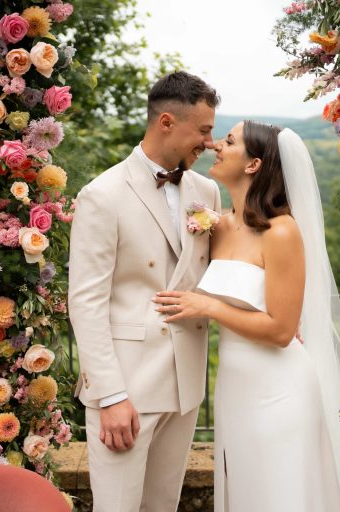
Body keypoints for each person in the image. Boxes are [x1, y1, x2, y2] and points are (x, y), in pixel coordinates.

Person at [154, 121, 340, 511]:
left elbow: (282, 330)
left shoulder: (282, 232)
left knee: (279, 494)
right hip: (234, 386)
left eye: (229, 141)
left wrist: (208, 306)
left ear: (253, 165)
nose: (216, 145)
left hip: (280, 389)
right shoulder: (216, 225)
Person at [67, 71, 221, 512]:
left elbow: (214, 278)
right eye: (204, 130)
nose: (209, 143)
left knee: (162, 507)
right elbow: (86, 301)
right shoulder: (103, 194)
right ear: (167, 122)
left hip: (184, 384)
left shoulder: (206, 191)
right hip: (127, 389)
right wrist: (110, 396)